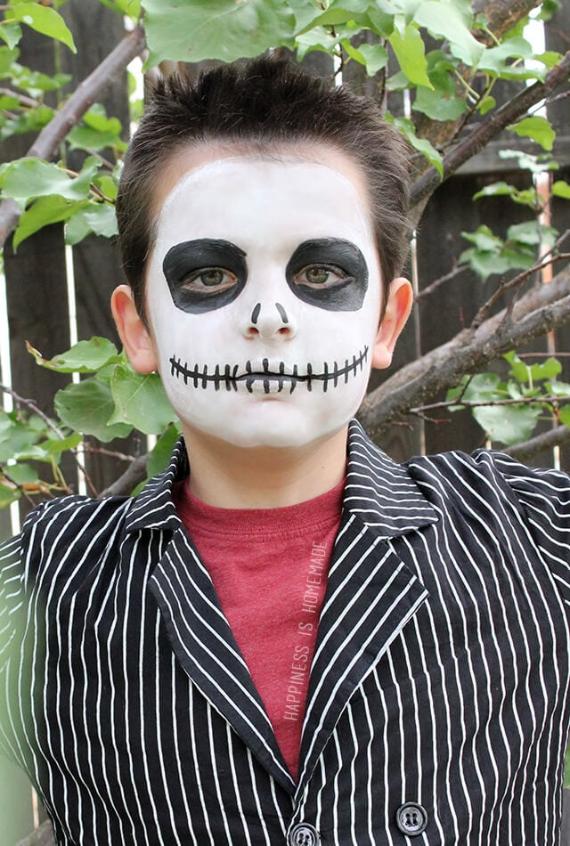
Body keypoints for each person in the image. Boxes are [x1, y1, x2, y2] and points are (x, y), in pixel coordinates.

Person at [0, 55, 569, 846]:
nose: (269, 315)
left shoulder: (533, 538)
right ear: (138, 329)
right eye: (207, 277)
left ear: (384, 322)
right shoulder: (42, 588)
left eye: (321, 271)